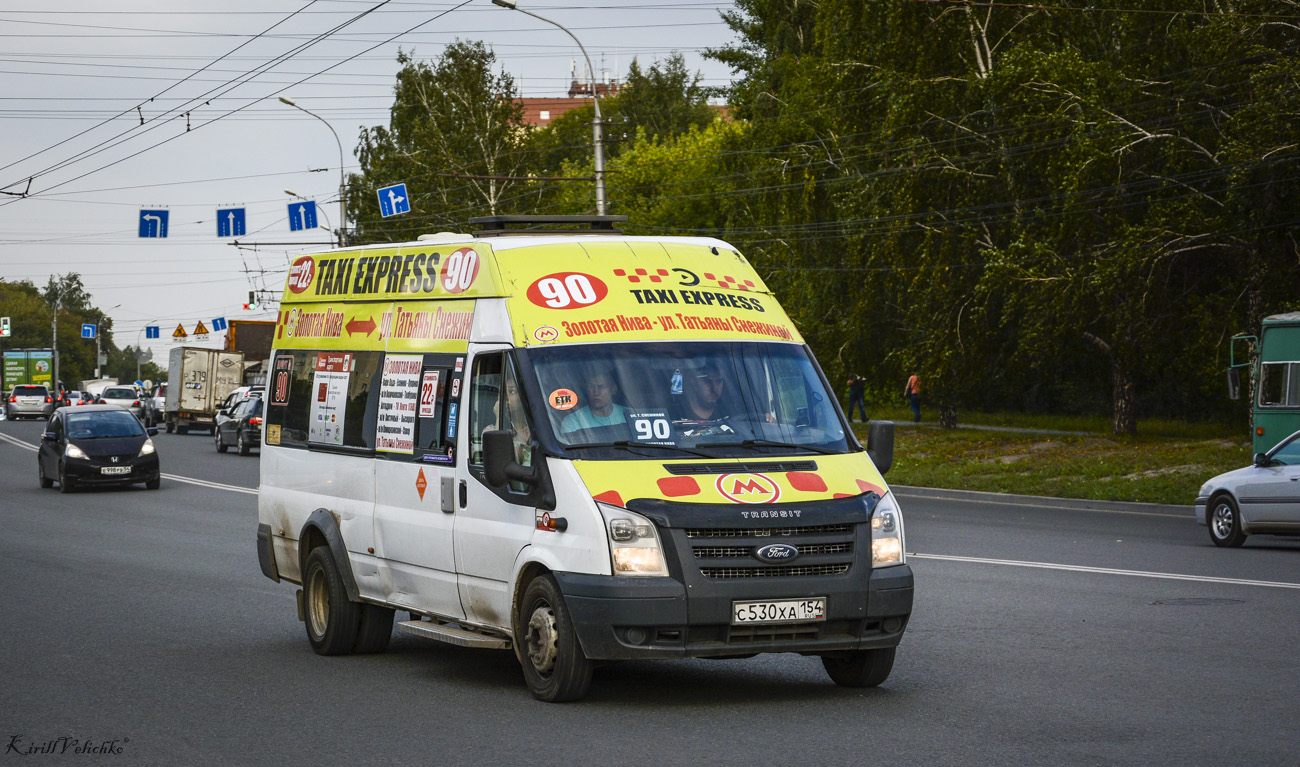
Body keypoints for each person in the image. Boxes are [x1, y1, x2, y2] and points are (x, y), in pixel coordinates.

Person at [561, 365, 630, 435]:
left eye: (601, 387)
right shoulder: (573, 421)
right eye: (591, 387)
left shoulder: (629, 415)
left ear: (614, 389)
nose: (596, 392)